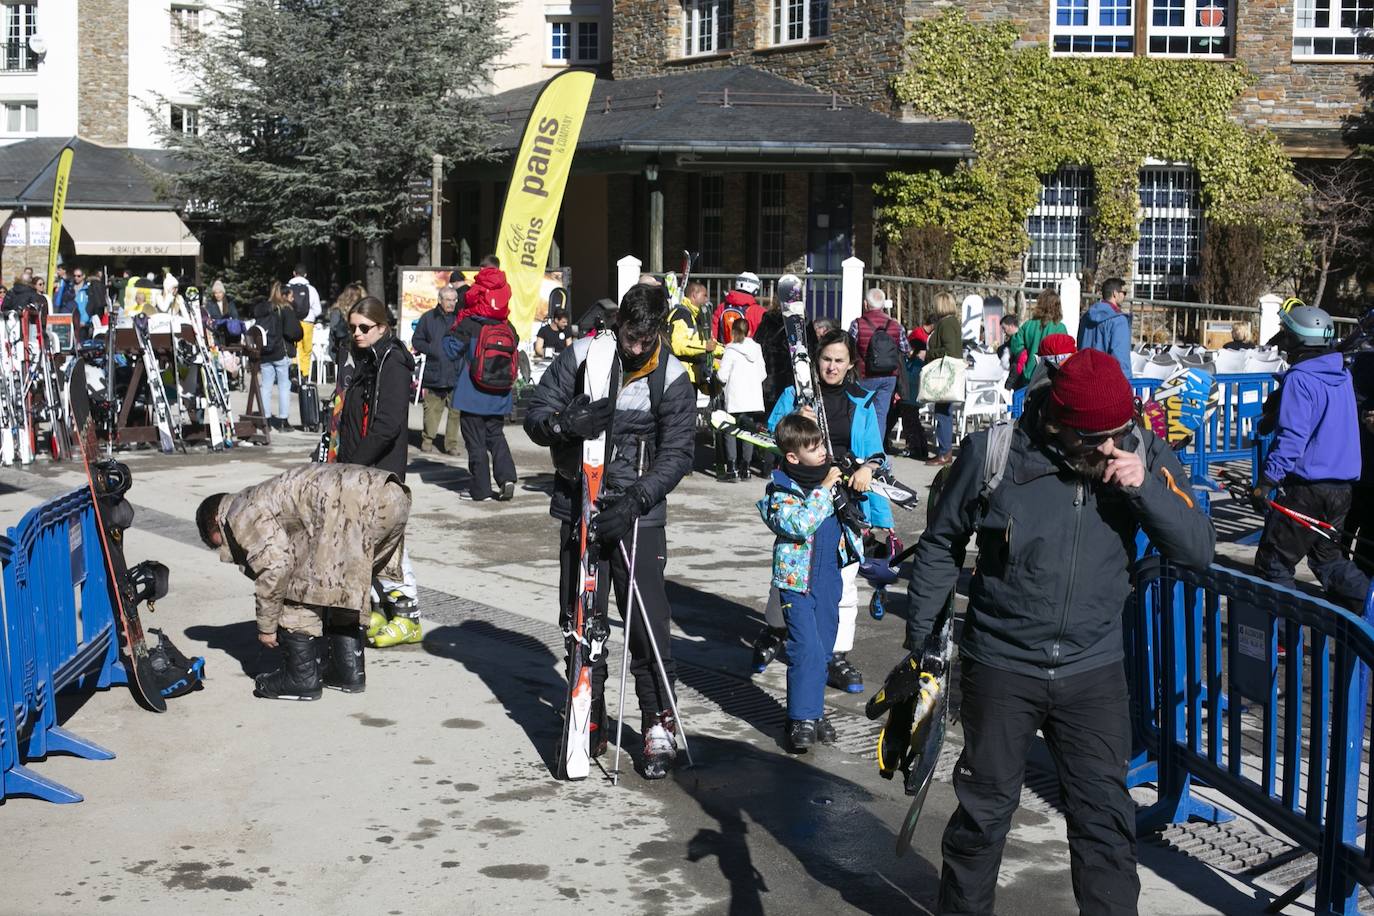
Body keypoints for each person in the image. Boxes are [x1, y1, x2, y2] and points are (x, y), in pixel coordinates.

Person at [902, 347, 1215, 916]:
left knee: (1105, 826)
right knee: (982, 818)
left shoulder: (1143, 453)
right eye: (1096, 438)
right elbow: (941, 542)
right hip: (1001, 665)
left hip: (1093, 670)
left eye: (1118, 433)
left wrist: (1145, 487)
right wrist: (925, 645)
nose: (1110, 448)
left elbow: (1197, 550)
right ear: (1058, 424)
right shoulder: (994, 452)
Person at [523, 283, 696, 778]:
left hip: (638, 512)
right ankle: (589, 713)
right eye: (628, 335)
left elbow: (678, 453)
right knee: (582, 615)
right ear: (617, 323)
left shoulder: (672, 376)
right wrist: (565, 423)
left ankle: (657, 720)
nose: (634, 347)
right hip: (580, 500)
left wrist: (638, 500)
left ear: (658, 331)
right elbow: (536, 415)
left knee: (646, 621)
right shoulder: (583, 355)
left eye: (644, 339)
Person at [195, 464, 411, 700]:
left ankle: (300, 679)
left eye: (218, 543)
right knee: (343, 586)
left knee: (295, 587)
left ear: (215, 519)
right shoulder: (261, 496)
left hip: (356, 502)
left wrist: (267, 627)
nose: (224, 549)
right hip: (392, 494)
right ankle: (347, 672)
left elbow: (274, 566)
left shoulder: (239, 511)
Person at [764, 329, 893, 693]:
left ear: (851, 364)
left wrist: (868, 468)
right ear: (815, 360)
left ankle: (837, 654)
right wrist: (794, 417)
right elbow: (771, 435)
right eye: (826, 359)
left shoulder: (862, 400)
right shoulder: (796, 394)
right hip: (801, 495)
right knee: (791, 572)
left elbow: (877, 452)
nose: (832, 366)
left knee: (845, 579)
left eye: (839, 360)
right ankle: (774, 628)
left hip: (845, 498)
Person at [1253, 303, 1369, 615]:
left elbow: (1293, 438)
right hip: (1341, 489)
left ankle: (1282, 633)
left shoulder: (1301, 378)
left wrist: (1267, 480)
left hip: (1307, 490)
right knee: (1328, 560)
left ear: (1297, 341)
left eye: (1287, 336)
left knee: (1273, 563)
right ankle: (1368, 613)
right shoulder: (1342, 373)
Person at [757, 413, 861, 751]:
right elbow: (801, 524)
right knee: (806, 649)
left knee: (824, 649)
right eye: (813, 449)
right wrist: (824, 490)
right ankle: (800, 718)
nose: (822, 452)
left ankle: (814, 713)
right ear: (792, 457)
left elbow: (850, 521)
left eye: (821, 446)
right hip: (797, 583)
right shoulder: (780, 491)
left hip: (828, 578)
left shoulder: (832, 480)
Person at [336, 296, 421, 648]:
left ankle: (408, 615)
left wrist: (355, 464)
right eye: (352, 327)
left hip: (379, 471)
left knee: (388, 543)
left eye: (364, 327)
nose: (357, 333)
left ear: (382, 327)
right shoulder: (363, 358)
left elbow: (387, 424)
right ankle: (379, 608)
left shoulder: (392, 360)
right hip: (357, 467)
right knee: (361, 543)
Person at [445, 263, 518, 502]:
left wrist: (453, 326)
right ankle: (507, 478)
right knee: (496, 436)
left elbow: (450, 350)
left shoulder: (469, 323)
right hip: (499, 392)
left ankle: (481, 489)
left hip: (472, 393)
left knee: (475, 441)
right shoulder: (507, 326)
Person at [848, 287, 910, 445]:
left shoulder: (857, 324)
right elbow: (905, 349)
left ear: (865, 304)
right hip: (889, 377)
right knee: (880, 415)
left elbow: (848, 348)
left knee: (859, 412)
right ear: (883, 305)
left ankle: (858, 447)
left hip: (864, 375)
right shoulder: (896, 325)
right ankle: (875, 450)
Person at [411, 285, 462, 455]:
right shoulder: (428, 318)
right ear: (440, 300)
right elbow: (417, 340)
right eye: (448, 300)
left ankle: (451, 445)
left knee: (455, 412)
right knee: (432, 409)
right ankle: (427, 440)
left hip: (455, 371)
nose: (451, 303)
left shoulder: (460, 319)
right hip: (434, 370)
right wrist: (433, 349)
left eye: (454, 300)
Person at [716, 317, 767, 482]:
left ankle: (732, 468)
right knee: (748, 432)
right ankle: (746, 468)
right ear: (749, 331)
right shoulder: (757, 348)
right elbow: (763, 374)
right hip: (753, 398)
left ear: (733, 331)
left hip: (735, 397)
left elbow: (722, 376)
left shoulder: (730, 350)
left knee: (730, 430)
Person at [925, 292, 964, 466]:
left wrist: (928, 354)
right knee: (944, 412)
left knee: (942, 414)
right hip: (948, 373)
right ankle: (944, 451)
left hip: (944, 374)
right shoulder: (951, 322)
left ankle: (944, 453)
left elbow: (949, 351)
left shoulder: (946, 324)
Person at [254, 283, 297, 431]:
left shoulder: (263, 309)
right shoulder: (285, 309)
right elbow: (293, 332)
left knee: (266, 386)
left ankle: (265, 421)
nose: (293, 299)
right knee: (284, 386)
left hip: (265, 352)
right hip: (280, 352)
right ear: (284, 295)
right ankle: (283, 421)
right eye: (291, 295)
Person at [668, 280, 721, 393]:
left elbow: (705, 343)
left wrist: (723, 349)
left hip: (690, 377)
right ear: (694, 295)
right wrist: (705, 347)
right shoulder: (682, 314)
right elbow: (678, 345)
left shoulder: (695, 316)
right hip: (680, 377)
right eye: (704, 295)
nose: (707, 300)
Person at [1008, 289, 1068, 389]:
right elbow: (1064, 356)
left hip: (1029, 376)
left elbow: (1015, 346)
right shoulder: (1060, 328)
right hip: (1049, 378)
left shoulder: (1028, 325)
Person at [1078, 277, 1132, 379]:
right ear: (1115, 294)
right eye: (1124, 293)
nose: (1125, 296)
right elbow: (1121, 359)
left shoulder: (1086, 317)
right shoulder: (1119, 321)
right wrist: (1127, 383)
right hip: (1106, 381)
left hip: (1084, 377)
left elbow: (1080, 346)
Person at [288, 264, 322, 380]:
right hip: (307, 322)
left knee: (294, 347)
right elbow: (318, 310)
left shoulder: (287, 288)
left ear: (294, 273)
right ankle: (304, 374)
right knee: (306, 349)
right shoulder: (311, 289)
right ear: (306, 275)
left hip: (292, 322)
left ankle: (294, 371)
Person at [713, 272, 766, 341]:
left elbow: (713, 334)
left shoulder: (721, 307)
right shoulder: (759, 312)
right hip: (749, 348)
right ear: (755, 290)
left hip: (725, 347)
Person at [204, 279, 242, 346]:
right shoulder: (210, 304)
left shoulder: (229, 303)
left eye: (220, 292)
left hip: (229, 330)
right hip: (216, 331)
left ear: (223, 293)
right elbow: (208, 318)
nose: (218, 295)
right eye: (216, 293)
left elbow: (235, 317)